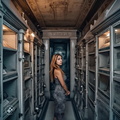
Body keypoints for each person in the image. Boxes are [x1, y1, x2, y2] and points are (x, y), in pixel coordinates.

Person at [50, 54, 70, 120]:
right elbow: (63, 84)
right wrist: (67, 91)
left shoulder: (56, 69)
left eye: (61, 58)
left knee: (57, 108)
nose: (61, 60)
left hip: (57, 90)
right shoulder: (57, 71)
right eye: (58, 59)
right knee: (60, 110)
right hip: (59, 91)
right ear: (54, 61)